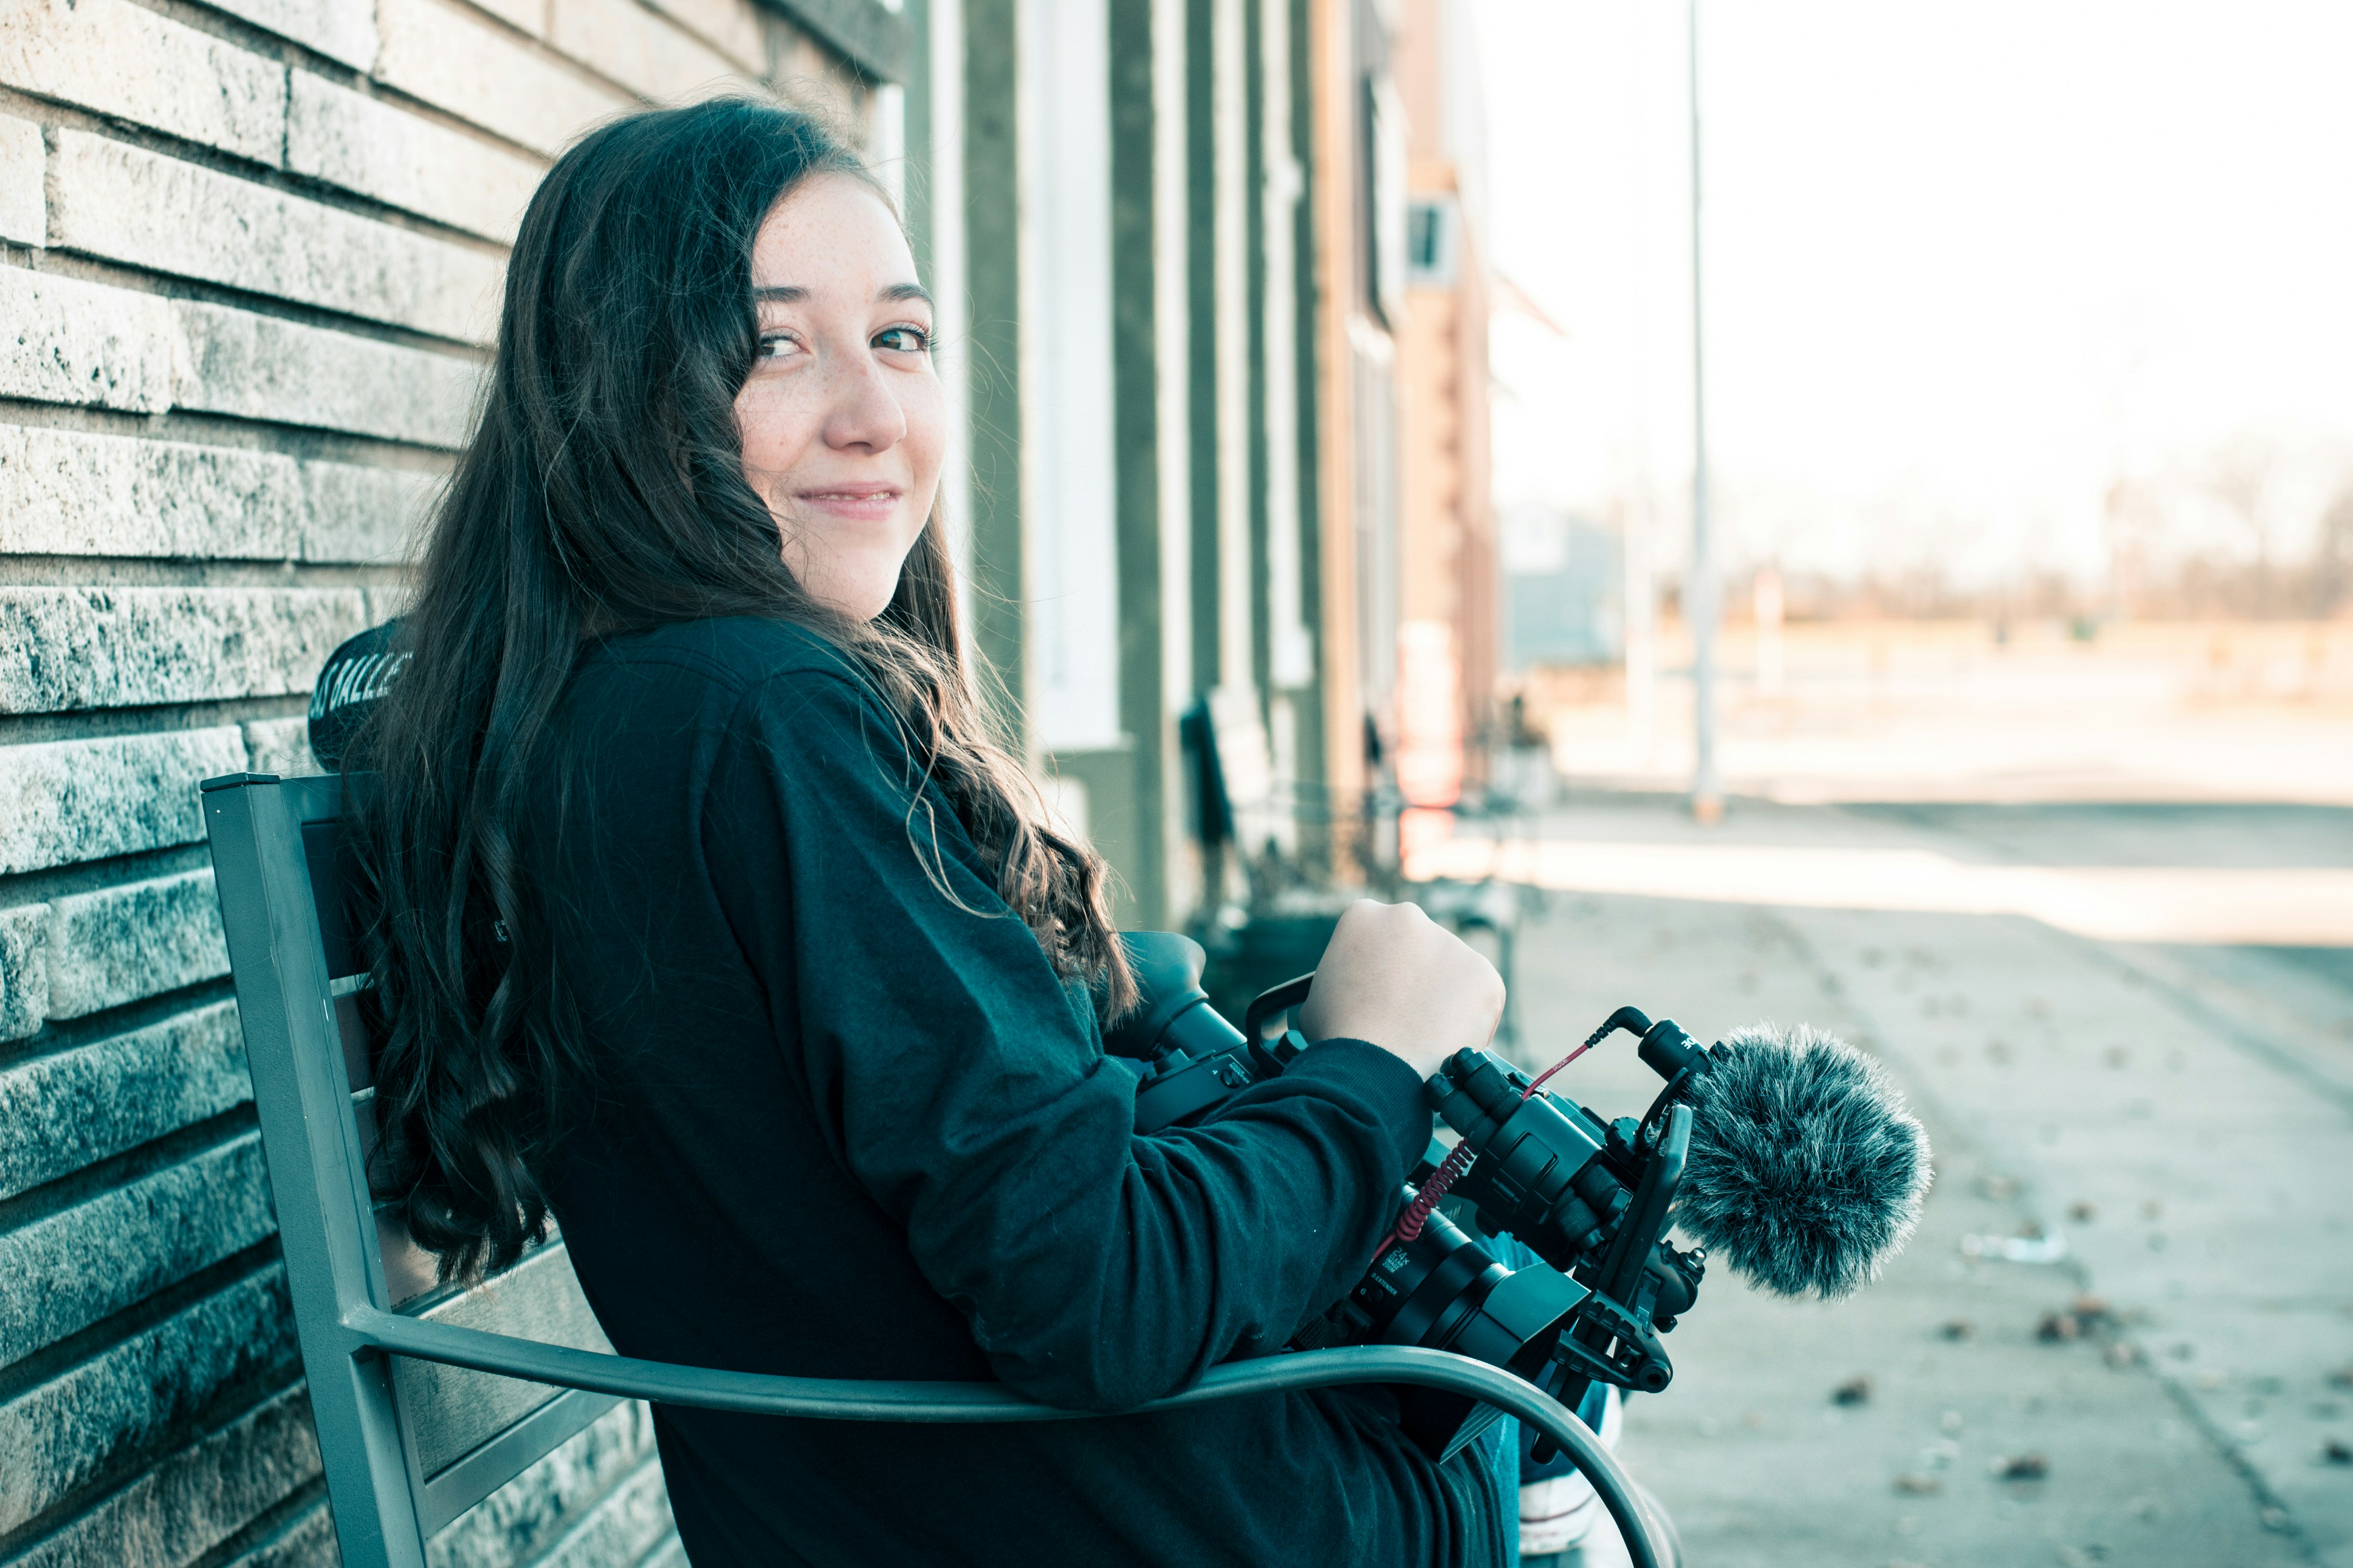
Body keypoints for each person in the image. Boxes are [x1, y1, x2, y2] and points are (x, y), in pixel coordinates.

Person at [350, 97, 1511, 1567]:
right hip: (1164, 1523)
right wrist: (1372, 1062)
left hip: (1000, 1496)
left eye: (899, 338)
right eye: (771, 344)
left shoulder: (614, 717)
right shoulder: (755, 716)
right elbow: (1106, 1294)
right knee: (1540, 1440)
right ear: (620, 389)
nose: (873, 412)